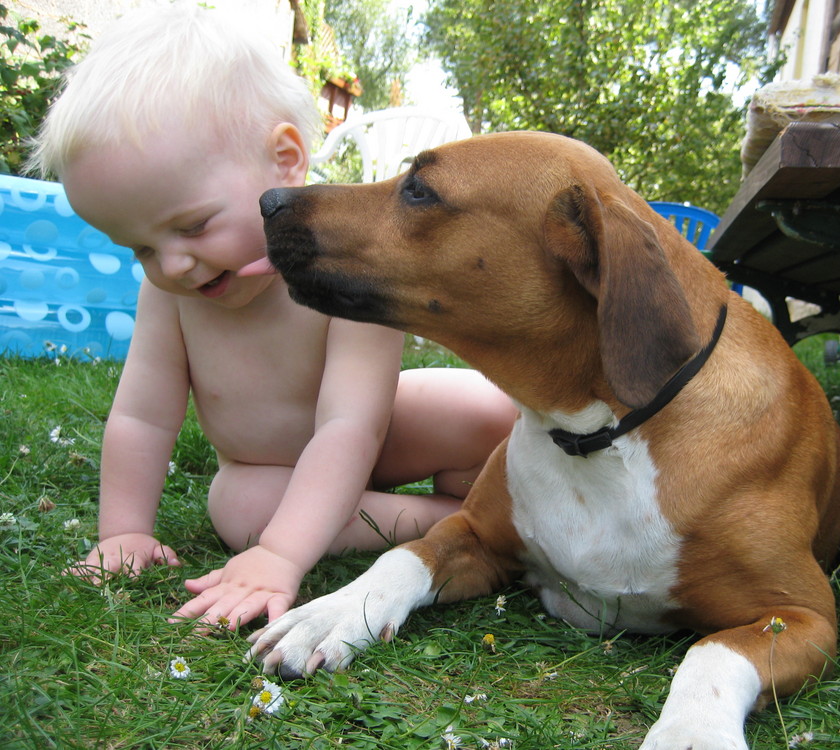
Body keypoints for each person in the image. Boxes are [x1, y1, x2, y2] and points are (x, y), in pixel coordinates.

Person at [31, 3, 516, 630]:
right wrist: (124, 530)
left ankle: (507, 494)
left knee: (493, 409)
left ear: (285, 161)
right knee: (239, 510)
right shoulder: (173, 297)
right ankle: (466, 523)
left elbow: (350, 426)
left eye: (193, 226)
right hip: (272, 470)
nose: (174, 264)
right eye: (142, 248)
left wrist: (284, 555)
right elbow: (141, 417)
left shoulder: (348, 266)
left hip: (381, 430)